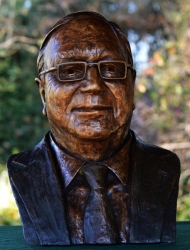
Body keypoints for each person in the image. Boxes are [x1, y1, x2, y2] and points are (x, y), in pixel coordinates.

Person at [7, 11, 180, 245]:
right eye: (69, 71)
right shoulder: (23, 172)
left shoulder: (165, 167)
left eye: (110, 69)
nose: (93, 86)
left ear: (131, 85)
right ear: (43, 94)